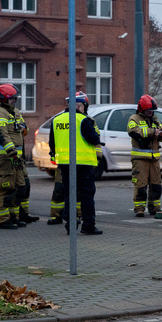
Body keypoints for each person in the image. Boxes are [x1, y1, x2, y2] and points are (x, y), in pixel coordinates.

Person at [49, 92, 103, 235]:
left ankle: (70, 224)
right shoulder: (82, 120)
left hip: (65, 163)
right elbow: (94, 138)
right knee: (87, 194)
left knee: (69, 193)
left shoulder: (57, 120)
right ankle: (88, 225)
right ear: (81, 106)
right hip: (83, 163)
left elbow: (52, 143)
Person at [0, 84, 35, 229]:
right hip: (5, 157)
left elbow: (22, 130)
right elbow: (2, 135)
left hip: (15, 158)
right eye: (12, 98)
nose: (15, 101)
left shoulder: (13, 112)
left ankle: (14, 217)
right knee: (5, 188)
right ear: (3, 99)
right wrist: (12, 153)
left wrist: (23, 129)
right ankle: (1, 220)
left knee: (19, 186)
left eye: (15, 98)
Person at [128, 95, 162, 217]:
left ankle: (155, 207)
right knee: (141, 185)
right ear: (142, 110)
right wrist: (152, 132)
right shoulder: (133, 119)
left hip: (154, 159)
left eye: (152, 111)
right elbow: (133, 132)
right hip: (140, 159)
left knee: (156, 185)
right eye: (149, 111)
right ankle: (139, 208)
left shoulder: (155, 120)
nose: (151, 113)